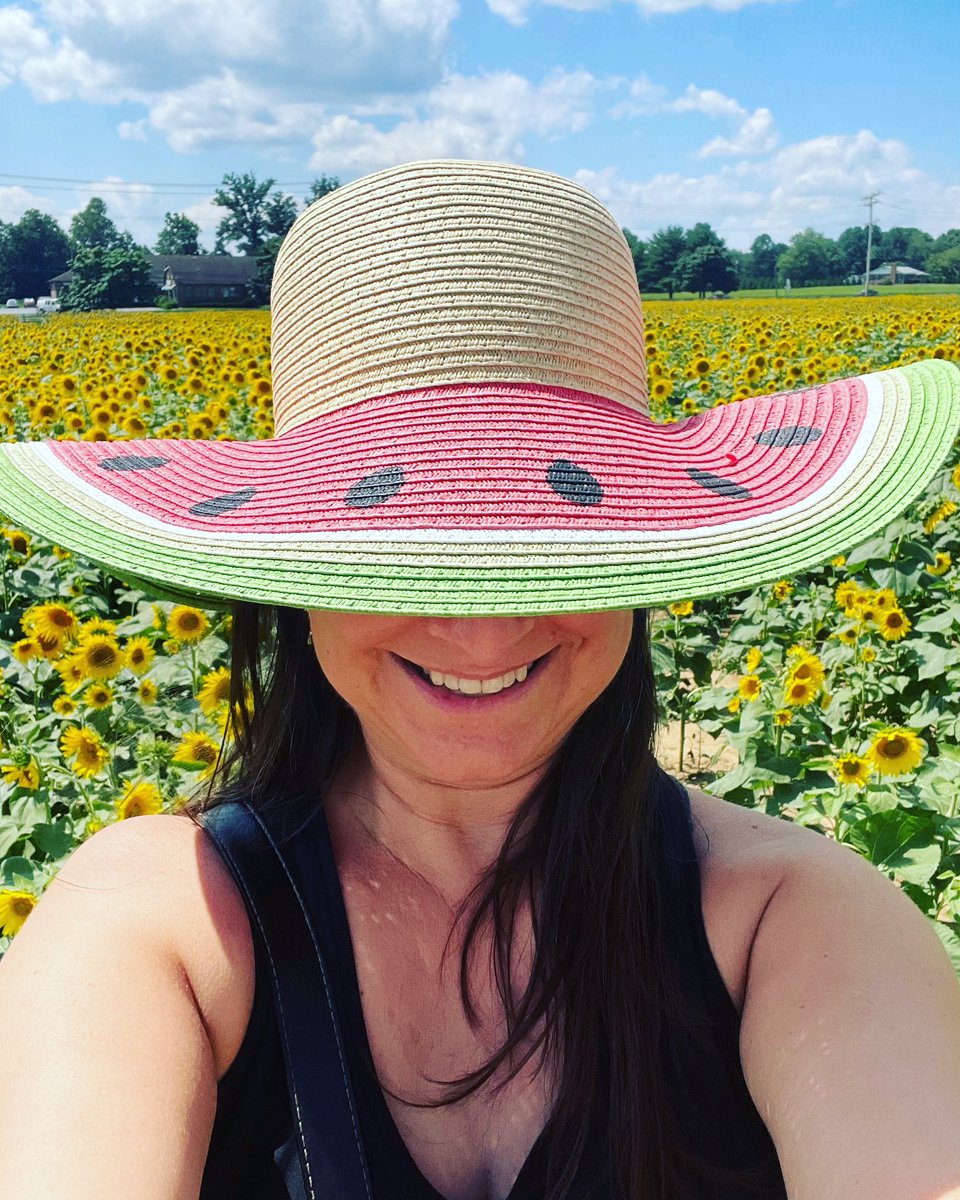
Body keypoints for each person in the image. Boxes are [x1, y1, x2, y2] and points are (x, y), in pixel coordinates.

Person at [0, 159, 958, 1200]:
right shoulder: (155, 928)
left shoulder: (795, 920)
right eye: (400, 549)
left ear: (641, 560)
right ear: (291, 577)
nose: (482, 626)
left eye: (550, 541)